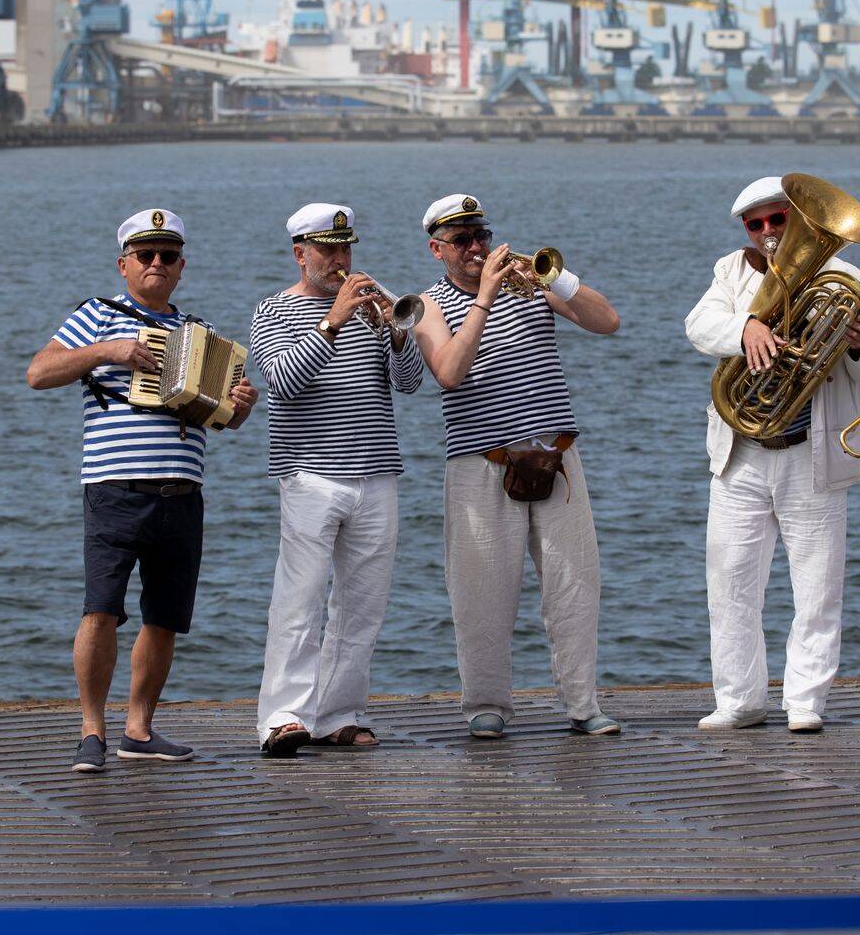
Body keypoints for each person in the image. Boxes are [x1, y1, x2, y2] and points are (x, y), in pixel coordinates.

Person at [26, 209, 258, 774]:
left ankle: (139, 728)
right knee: (100, 610)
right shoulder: (96, 316)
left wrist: (239, 409)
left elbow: (217, 419)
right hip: (116, 487)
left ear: (181, 266)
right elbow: (38, 373)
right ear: (123, 263)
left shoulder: (196, 335)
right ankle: (91, 730)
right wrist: (108, 351)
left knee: (165, 617)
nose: (158, 263)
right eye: (146, 255)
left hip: (182, 489)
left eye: (168, 255)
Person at [409, 193, 622, 741]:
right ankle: (486, 704)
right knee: (481, 592)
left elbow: (607, 322)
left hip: (557, 456)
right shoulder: (428, 304)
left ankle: (582, 703)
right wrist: (483, 298)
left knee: (575, 588)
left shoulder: (532, 287)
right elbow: (449, 373)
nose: (477, 247)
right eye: (462, 241)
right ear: (438, 250)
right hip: (482, 464)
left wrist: (560, 279)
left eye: (480, 235)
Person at [684, 175, 860, 733]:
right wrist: (746, 326)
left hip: (809, 452)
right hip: (742, 451)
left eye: (779, 219)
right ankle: (739, 701)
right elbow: (698, 326)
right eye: (757, 224)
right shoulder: (731, 271)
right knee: (730, 583)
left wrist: (859, 344)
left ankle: (805, 703)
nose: (769, 232)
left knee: (818, 587)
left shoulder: (846, 278)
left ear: (798, 220)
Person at [248, 203, 424, 759]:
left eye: (345, 249)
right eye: (327, 250)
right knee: (299, 600)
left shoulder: (373, 309)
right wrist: (331, 323)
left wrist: (396, 335)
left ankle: (338, 714)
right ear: (300, 254)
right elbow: (281, 381)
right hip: (309, 474)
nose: (340, 260)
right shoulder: (272, 312)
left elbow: (411, 383)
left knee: (362, 604)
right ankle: (282, 717)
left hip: (375, 473)